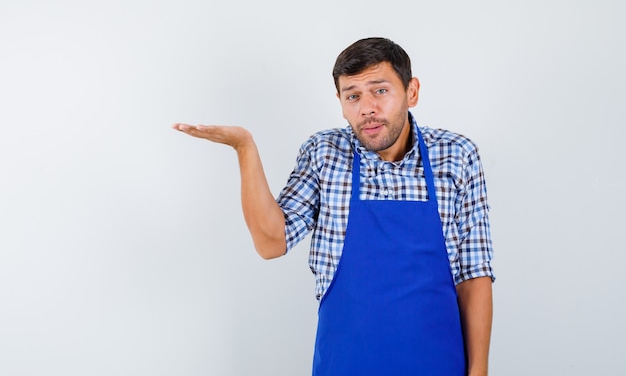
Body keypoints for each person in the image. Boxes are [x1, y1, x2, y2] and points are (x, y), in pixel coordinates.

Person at [172, 37, 494, 376]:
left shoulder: (458, 155)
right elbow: (270, 242)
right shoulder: (324, 153)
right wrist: (244, 147)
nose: (366, 107)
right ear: (341, 103)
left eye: (379, 90)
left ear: (411, 92)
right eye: (353, 95)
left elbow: (474, 276)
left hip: (438, 365)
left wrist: (479, 371)